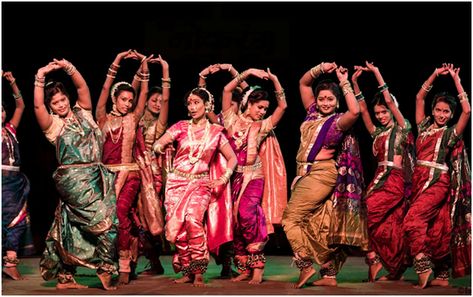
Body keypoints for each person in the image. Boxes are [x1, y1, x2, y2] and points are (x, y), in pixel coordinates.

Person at [34, 59, 117, 290]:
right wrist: (40, 75)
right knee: (106, 222)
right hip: (73, 180)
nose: (60, 105)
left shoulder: (84, 112)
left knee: (69, 223)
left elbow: (82, 88)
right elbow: (37, 107)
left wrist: (70, 67)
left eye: (62, 99)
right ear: (51, 106)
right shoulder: (53, 126)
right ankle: (105, 267)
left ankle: (65, 276)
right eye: (55, 102)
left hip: (96, 175)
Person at [282, 62, 367, 288]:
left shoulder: (338, 121)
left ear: (337, 101)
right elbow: (303, 82)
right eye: (322, 99)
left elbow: (356, 111)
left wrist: (343, 81)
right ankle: (329, 274)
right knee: (316, 224)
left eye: (330, 99)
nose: (325, 103)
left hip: (321, 173)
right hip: (304, 173)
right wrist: (320, 68)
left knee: (290, 219)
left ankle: (305, 265)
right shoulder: (311, 112)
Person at [152, 87, 237, 287]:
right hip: (176, 183)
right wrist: (162, 147)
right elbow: (157, 144)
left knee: (193, 220)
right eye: (189, 103)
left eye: (196, 102)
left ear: (207, 105)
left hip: (200, 182)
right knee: (177, 229)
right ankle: (187, 269)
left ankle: (198, 269)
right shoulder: (180, 127)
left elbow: (232, 158)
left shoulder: (216, 132)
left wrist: (223, 178)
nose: (192, 107)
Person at [403, 63, 471, 289]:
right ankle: (442, 273)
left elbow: (468, 111)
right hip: (419, 180)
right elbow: (419, 97)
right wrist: (434, 74)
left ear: (451, 115)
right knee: (437, 227)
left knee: (412, 221)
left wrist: (456, 80)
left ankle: (423, 265)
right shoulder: (422, 127)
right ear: (433, 110)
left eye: (446, 112)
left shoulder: (450, 134)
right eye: (439, 110)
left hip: (437, 181)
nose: (442, 115)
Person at [220, 67, 288, 285]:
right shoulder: (230, 119)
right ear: (247, 103)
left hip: (254, 177)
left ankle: (257, 266)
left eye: (265, 108)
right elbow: (226, 89)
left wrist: (276, 80)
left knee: (248, 214)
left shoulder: (262, 126)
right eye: (259, 107)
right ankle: (244, 267)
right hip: (233, 177)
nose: (262, 112)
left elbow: (283, 106)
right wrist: (247, 73)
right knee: (236, 221)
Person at [351, 61, 414, 282]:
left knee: (368, 210)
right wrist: (354, 83)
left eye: (384, 112)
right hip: (378, 178)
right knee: (389, 226)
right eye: (378, 113)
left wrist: (377, 73)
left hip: (394, 179)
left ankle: (375, 257)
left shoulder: (401, 126)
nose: (380, 116)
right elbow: (363, 110)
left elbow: (388, 99)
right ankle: (393, 267)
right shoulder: (376, 133)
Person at [95, 49, 150, 285]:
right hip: (106, 176)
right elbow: (105, 89)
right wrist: (116, 61)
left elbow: (144, 92)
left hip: (130, 174)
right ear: (115, 99)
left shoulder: (133, 118)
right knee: (108, 219)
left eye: (131, 100)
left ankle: (125, 263)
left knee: (120, 213)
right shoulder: (102, 117)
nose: (128, 104)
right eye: (124, 99)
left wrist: (145, 66)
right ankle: (110, 260)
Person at [196, 63, 247, 278]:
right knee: (217, 216)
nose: (232, 106)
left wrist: (233, 71)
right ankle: (209, 263)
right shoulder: (217, 122)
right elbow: (201, 99)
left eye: (236, 103)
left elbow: (249, 91)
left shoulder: (244, 121)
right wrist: (202, 77)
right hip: (219, 172)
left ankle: (231, 264)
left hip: (242, 172)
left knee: (234, 220)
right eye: (230, 102)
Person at [134, 54, 170, 276]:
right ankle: (132, 260)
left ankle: (155, 262)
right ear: (146, 100)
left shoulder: (159, 124)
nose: (157, 103)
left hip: (151, 174)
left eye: (159, 100)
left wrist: (165, 70)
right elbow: (134, 90)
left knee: (149, 217)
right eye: (153, 99)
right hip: (130, 169)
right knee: (133, 217)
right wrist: (142, 67)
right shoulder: (135, 116)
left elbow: (166, 100)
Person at [2, 71, 33, 280]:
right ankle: (9, 262)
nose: (2, 114)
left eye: (2, 109)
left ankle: (10, 262)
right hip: (1, 183)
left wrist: (12, 83)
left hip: (15, 183)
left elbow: (21, 106)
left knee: (18, 221)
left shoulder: (10, 129)